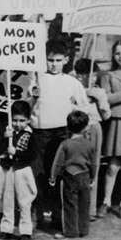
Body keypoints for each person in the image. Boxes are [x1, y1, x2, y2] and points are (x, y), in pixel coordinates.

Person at [29, 39, 90, 229]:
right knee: (38, 173)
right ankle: (36, 215)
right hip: (40, 132)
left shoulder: (72, 82)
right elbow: (24, 107)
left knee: (58, 174)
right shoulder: (36, 79)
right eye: (49, 60)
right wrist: (33, 96)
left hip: (62, 133)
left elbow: (84, 107)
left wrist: (76, 121)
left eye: (57, 60)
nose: (53, 64)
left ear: (65, 60)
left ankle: (58, 216)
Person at [0, 101, 37, 240]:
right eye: (15, 120)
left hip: (22, 170)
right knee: (7, 200)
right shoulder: (8, 132)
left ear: (28, 120)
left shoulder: (30, 135)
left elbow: (32, 155)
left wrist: (17, 152)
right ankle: (6, 229)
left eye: (22, 120)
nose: (18, 124)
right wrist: (6, 138)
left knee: (24, 202)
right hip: (8, 169)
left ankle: (25, 231)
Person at [73, 59, 110, 220]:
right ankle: (74, 207)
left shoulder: (99, 91)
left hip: (94, 127)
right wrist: (83, 99)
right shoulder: (73, 88)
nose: (93, 78)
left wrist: (99, 99)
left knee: (93, 165)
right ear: (79, 76)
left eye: (95, 75)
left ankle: (89, 209)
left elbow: (107, 115)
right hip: (77, 129)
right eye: (89, 75)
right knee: (76, 165)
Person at [50, 111, 96, 239]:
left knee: (70, 204)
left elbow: (58, 163)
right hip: (85, 175)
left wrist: (53, 177)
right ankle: (83, 229)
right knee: (84, 203)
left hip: (70, 176)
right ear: (86, 127)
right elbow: (94, 163)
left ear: (68, 127)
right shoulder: (89, 144)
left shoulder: (65, 144)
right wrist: (93, 177)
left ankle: (71, 231)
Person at [99, 40, 121, 217]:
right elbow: (106, 99)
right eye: (117, 53)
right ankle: (106, 201)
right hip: (117, 123)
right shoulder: (108, 75)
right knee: (113, 165)